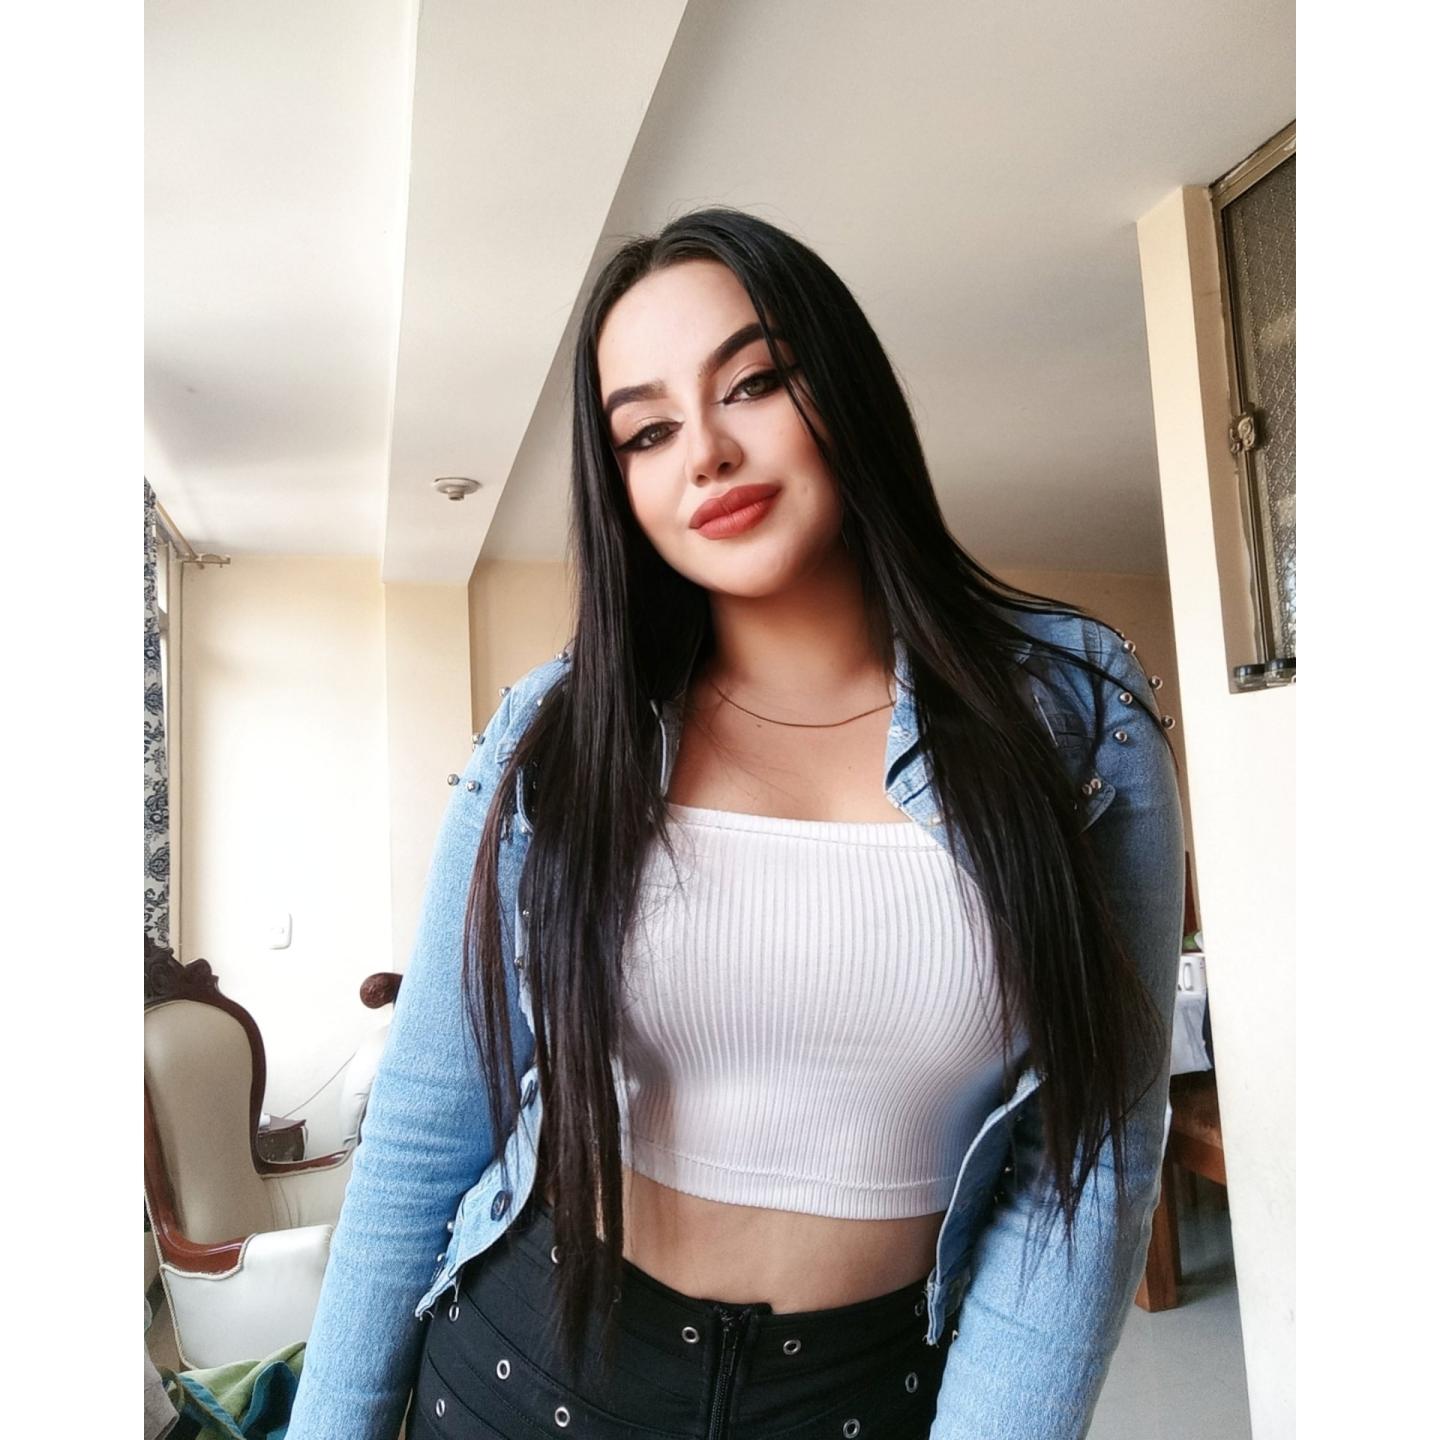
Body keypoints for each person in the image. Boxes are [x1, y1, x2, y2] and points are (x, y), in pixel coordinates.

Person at [285, 207, 1185, 1440]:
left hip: (862, 1399)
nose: (704, 453)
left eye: (752, 383)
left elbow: (1090, 1165)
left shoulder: (1075, 717)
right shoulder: (556, 735)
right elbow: (426, 1131)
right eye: (647, 431)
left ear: (845, 390)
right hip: (525, 1373)